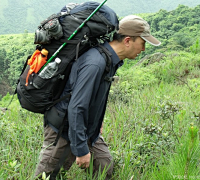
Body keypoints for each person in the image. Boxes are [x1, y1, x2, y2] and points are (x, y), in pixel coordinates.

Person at [34, 15, 161, 180]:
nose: (143, 49)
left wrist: (96, 124)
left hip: (86, 126)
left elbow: (93, 99)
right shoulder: (96, 63)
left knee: (103, 165)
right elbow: (76, 107)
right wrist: (81, 150)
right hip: (63, 128)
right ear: (128, 40)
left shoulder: (109, 60)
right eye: (142, 43)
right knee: (47, 177)